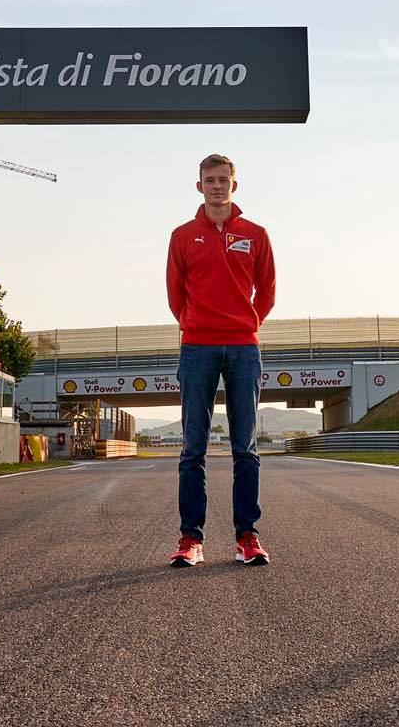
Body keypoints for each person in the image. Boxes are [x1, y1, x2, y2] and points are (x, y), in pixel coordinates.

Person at [166, 154, 276, 567]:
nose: (216, 186)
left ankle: (247, 536)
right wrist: (196, 326)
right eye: (209, 180)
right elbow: (176, 295)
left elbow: (265, 291)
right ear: (199, 186)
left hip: (244, 348)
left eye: (223, 179)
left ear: (235, 184)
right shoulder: (181, 236)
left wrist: (248, 323)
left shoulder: (256, 234)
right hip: (197, 348)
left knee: (244, 448)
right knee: (193, 448)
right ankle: (190, 539)